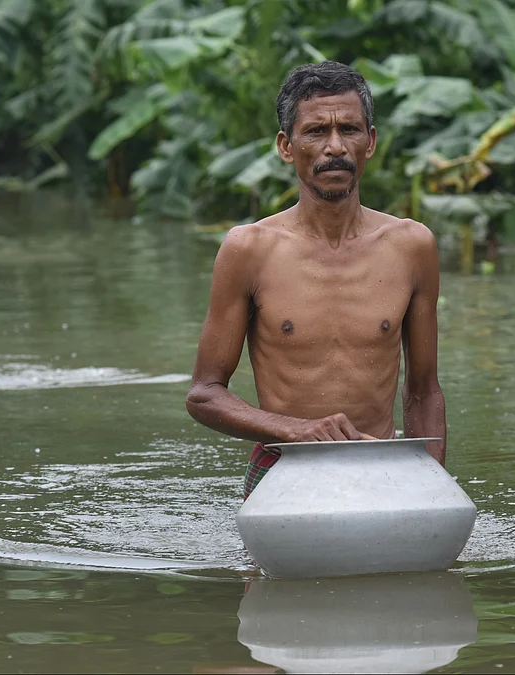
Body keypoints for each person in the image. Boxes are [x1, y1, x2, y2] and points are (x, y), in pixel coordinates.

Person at [185, 61, 447, 499]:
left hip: (382, 464)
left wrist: (435, 487)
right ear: (287, 147)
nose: (335, 147)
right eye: (315, 132)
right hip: (283, 467)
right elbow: (204, 394)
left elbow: (422, 391)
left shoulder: (411, 245)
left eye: (349, 129)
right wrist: (299, 430)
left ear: (371, 142)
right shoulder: (249, 249)